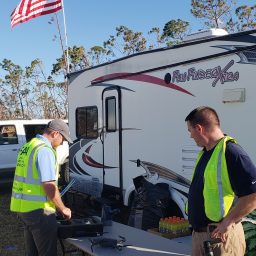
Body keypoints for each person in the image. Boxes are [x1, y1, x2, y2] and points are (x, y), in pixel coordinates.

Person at [185, 106, 256, 256]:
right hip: (200, 236)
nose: (190, 136)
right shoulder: (206, 153)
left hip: (221, 239)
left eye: (190, 131)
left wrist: (227, 222)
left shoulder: (232, 152)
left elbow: (252, 196)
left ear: (199, 128)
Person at [10, 119, 72, 256]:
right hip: (40, 211)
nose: (62, 143)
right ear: (56, 134)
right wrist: (63, 208)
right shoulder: (45, 150)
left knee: (33, 253)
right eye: (63, 139)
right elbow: (49, 185)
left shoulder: (29, 146)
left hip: (25, 209)